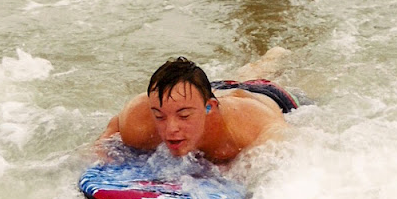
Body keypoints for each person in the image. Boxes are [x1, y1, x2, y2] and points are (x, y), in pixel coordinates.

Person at [97, 51, 300, 163]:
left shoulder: (249, 126)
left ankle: (277, 55)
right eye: (160, 117)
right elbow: (111, 133)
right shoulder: (139, 119)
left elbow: (290, 146)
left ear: (209, 108)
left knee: (259, 77)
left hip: (268, 96)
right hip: (206, 91)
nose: (170, 129)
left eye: (184, 117)